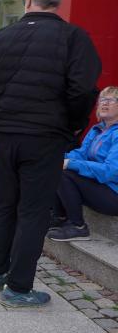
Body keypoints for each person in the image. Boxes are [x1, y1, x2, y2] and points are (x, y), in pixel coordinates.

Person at [0, 0, 101, 308]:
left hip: (5, 136)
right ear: (58, 3)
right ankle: (17, 288)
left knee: (3, 204)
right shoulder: (74, 38)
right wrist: (72, 129)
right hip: (44, 138)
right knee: (33, 211)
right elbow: (83, 90)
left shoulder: (2, 37)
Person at [46, 86, 118, 242]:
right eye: (102, 99)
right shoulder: (97, 129)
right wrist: (56, 158)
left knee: (64, 173)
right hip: (99, 186)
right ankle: (59, 217)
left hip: (113, 193)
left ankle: (78, 226)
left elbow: (111, 171)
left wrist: (71, 163)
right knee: (53, 165)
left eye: (111, 99)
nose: (104, 103)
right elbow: (81, 154)